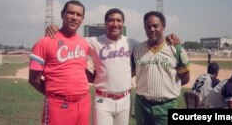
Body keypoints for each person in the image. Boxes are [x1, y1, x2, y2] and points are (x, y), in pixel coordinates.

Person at [45, 8, 181, 125]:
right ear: (105, 23)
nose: (115, 23)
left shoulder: (132, 43)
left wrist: (170, 37)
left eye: (118, 20)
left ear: (123, 24)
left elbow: (153, 42)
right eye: (111, 20)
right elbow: (72, 43)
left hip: (125, 99)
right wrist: (58, 29)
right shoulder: (93, 41)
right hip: (102, 100)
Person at [28, 0, 91, 125]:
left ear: (82, 19)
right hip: (58, 105)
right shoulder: (44, 42)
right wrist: (55, 95)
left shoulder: (84, 43)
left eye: (78, 15)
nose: (74, 18)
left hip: (84, 102)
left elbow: (80, 70)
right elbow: (33, 79)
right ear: (62, 14)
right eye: (71, 13)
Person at [131, 11, 190, 125]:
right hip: (142, 106)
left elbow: (185, 78)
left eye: (155, 26)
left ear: (163, 27)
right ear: (144, 28)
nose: (152, 29)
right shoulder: (137, 49)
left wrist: (166, 87)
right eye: (148, 26)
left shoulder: (176, 49)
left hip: (167, 106)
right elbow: (131, 73)